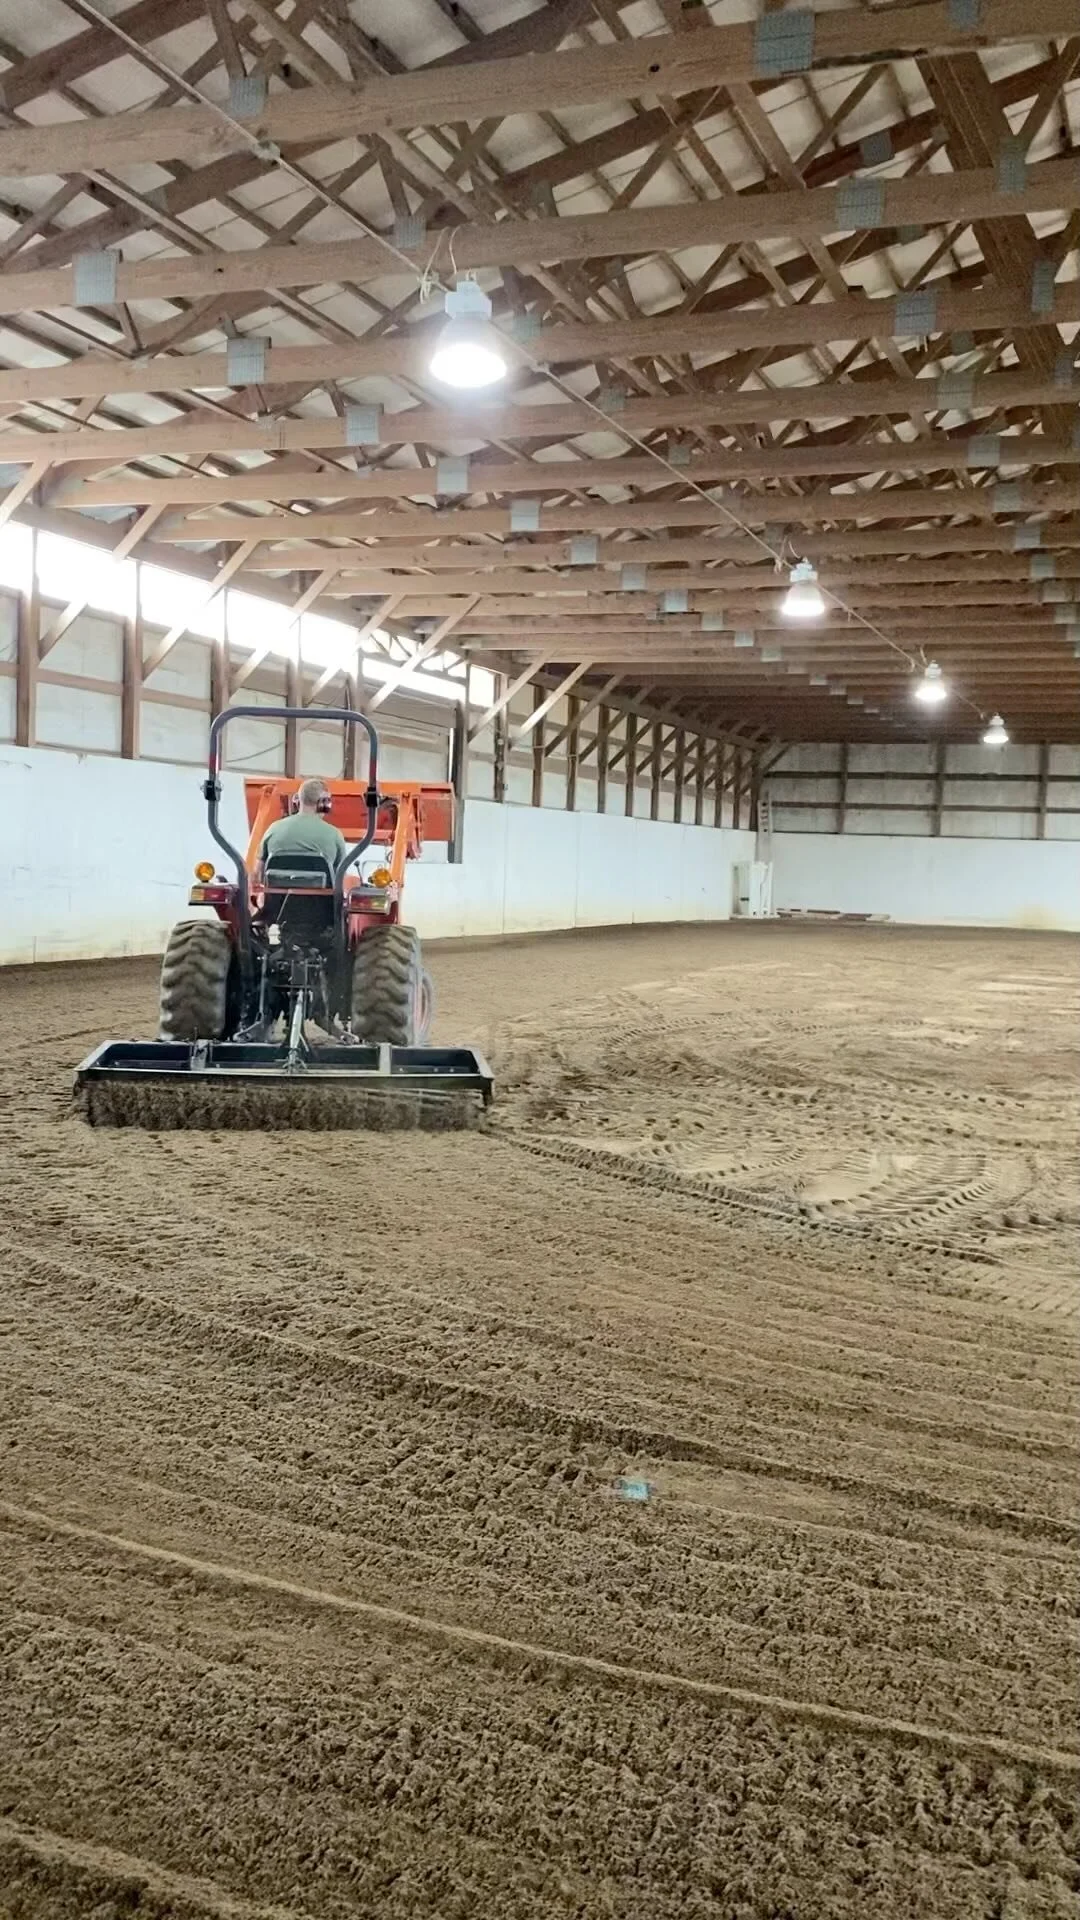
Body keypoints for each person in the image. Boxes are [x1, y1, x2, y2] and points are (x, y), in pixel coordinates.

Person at [257, 777, 347, 882]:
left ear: (298, 800)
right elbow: (341, 878)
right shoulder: (334, 835)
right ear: (325, 804)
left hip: (276, 898)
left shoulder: (273, 829)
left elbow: (257, 874)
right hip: (320, 898)